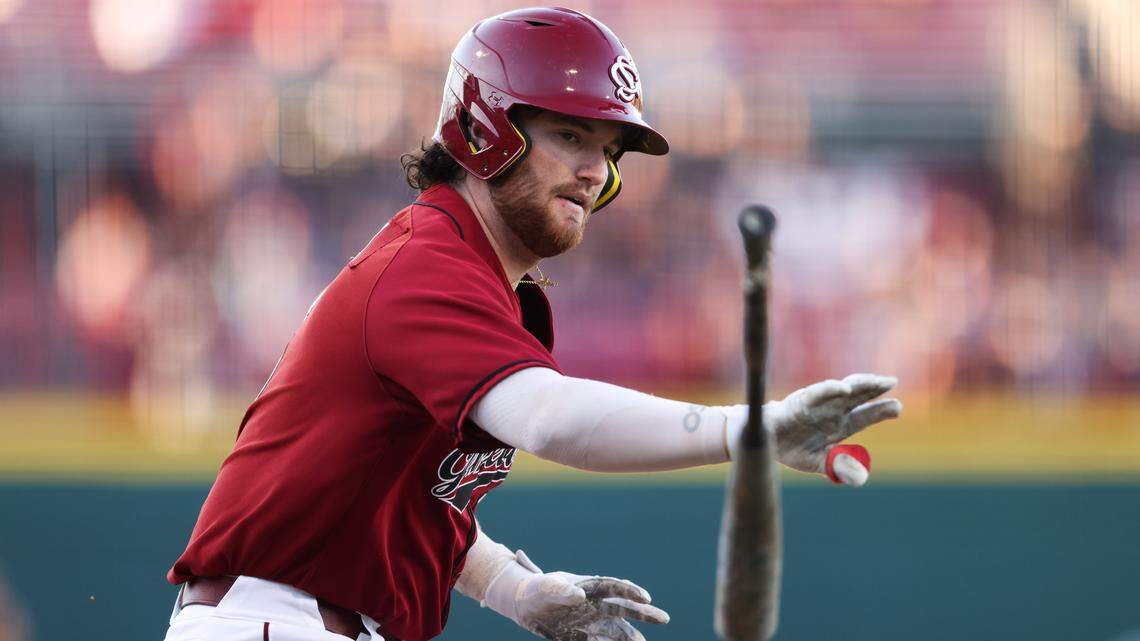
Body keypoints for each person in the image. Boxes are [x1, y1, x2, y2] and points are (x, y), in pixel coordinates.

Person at [162, 7, 902, 641]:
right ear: (487, 128)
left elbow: (418, 498)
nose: (596, 170)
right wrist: (753, 427)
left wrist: (516, 589)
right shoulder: (425, 264)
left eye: (607, 152)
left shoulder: (476, 277)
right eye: (571, 136)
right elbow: (552, 420)